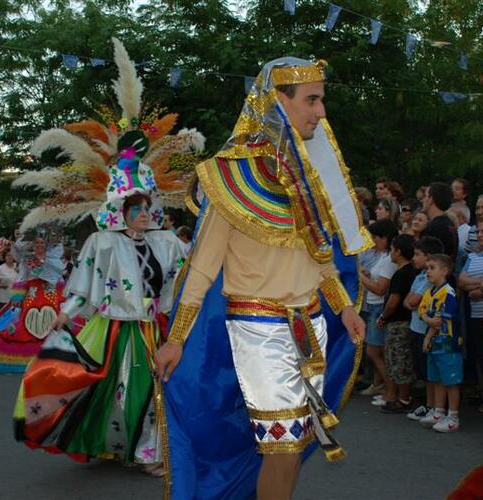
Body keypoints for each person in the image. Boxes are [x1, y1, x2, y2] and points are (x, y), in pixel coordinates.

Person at [156, 57, 372, 499]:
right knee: (284, 445)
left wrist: (343, 306)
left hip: (310, 324)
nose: (321, 112)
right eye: (312, 100)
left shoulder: (309, 177)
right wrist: (176, 337)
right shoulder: (231, 176)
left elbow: (321, 257)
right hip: (259, 329)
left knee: (298, 440)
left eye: (321, 100)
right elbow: (202, 266)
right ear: (278, 102)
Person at [12, 38, 195, 473]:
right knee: (118, 390)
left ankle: (151, 451)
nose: (143, 213)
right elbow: (85, 281)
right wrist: (65, 312)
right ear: (120, 208)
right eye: (134, 207)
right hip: (116, 328)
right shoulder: (103, 243)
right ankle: (125, 445)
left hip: (157, 327)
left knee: (157, 389)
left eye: (146, 205)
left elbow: (187, 275)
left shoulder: (167, 241)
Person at [0, 228, 65, 373]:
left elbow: (59, 280)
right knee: (24, 324)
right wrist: (17, 297)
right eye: (37, 243)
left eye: (42, 243)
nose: (39, 245)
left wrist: (63, 297)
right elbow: (22, 278)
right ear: (33, 245)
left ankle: (54, 358)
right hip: (33, 296)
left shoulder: (53, 260)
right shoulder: (27, 259)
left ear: (46, 245)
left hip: (51, 296)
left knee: (56, 324)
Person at [418, 254, 462, 432]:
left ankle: (453, 416)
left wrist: (428, 332)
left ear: (444, 271)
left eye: (432, 268)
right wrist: (427, 319)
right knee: (436, 378)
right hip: (434, 343)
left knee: (450, 380)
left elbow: (438, 321)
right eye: (426, 267)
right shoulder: (429, 292)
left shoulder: (448, 293)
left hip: (447, 342)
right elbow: (422, 311)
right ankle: (438, 411)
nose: (427, 271)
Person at [375, 234, 418, 413]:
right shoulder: (409, 271)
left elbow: (393, 301)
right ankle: (401, 397)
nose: (390, 253)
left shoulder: (402, 273)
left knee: (399, 360)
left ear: (398, 252)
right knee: (397, 360)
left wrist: (383, 316)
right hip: (404, 321)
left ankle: (404, 398)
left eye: (392, 249)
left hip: (399, 322)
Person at [404, 236, 444, 421]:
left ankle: (436, 407)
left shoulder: (430, 280)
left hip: (425, 330)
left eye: (418, 255)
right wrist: (413, 300)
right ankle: (429, 405)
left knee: (431, 372)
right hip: (415, 327)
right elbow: (408, 301)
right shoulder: (420, 276)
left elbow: (413, 301)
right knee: (423, 370)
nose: (414, 258)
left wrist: (413, 300)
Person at [359, 220, 398, 398]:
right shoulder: (382, 257)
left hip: (378, 305)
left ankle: (390, 389)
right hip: (373, 304)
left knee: (373, 351)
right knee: (376, 350)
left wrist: (359, 275)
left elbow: (380, 288)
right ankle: (381, 386)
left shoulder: (389, 259)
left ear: (385, 238)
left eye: (376, 237)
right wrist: (367, 274)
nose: (373, 240)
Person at [458, 219, 483, 413]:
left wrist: (480, 288)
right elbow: (461, 281)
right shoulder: (473, 256)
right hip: (476, 314)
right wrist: (482, 284)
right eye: (479, 232)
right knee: (481, 356)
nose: (480, 235)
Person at [421, 182, 458, 260]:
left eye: (425, 196)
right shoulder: (450, 224)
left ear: (431, 199)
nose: (422, 200)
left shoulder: (434, 228)